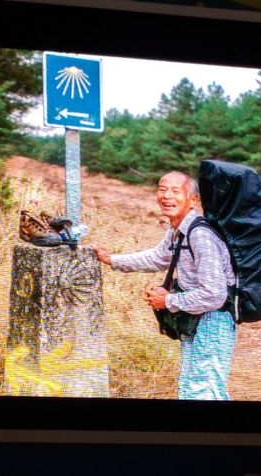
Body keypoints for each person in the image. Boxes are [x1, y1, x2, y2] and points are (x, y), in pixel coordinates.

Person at [93, 171, 236, 400]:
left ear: (194, 200)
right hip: (197, 319)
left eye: (175, 191)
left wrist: (168, 300)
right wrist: (113, 260)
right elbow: (158, 258)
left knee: (201, 391)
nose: (167, 196)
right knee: (197, 389)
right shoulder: (178, 231)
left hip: (212, 321)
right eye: (162, 189)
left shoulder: (199, 235)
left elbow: (215, 294)